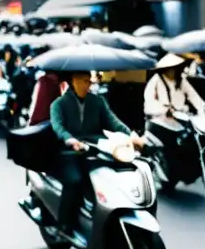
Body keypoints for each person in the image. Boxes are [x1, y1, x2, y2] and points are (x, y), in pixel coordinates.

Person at [49, 72, 142, 233]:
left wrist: (132, 135)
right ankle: (64, 224)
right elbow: (58, 127)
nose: (88, 85)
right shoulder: (58, 104)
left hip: (95, 148)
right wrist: (70, 140)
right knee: (75, 181)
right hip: (70, 153)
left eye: (89, 82)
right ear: (73, 81)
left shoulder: (97, 101)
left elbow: (114, 122)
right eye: (84, 81)